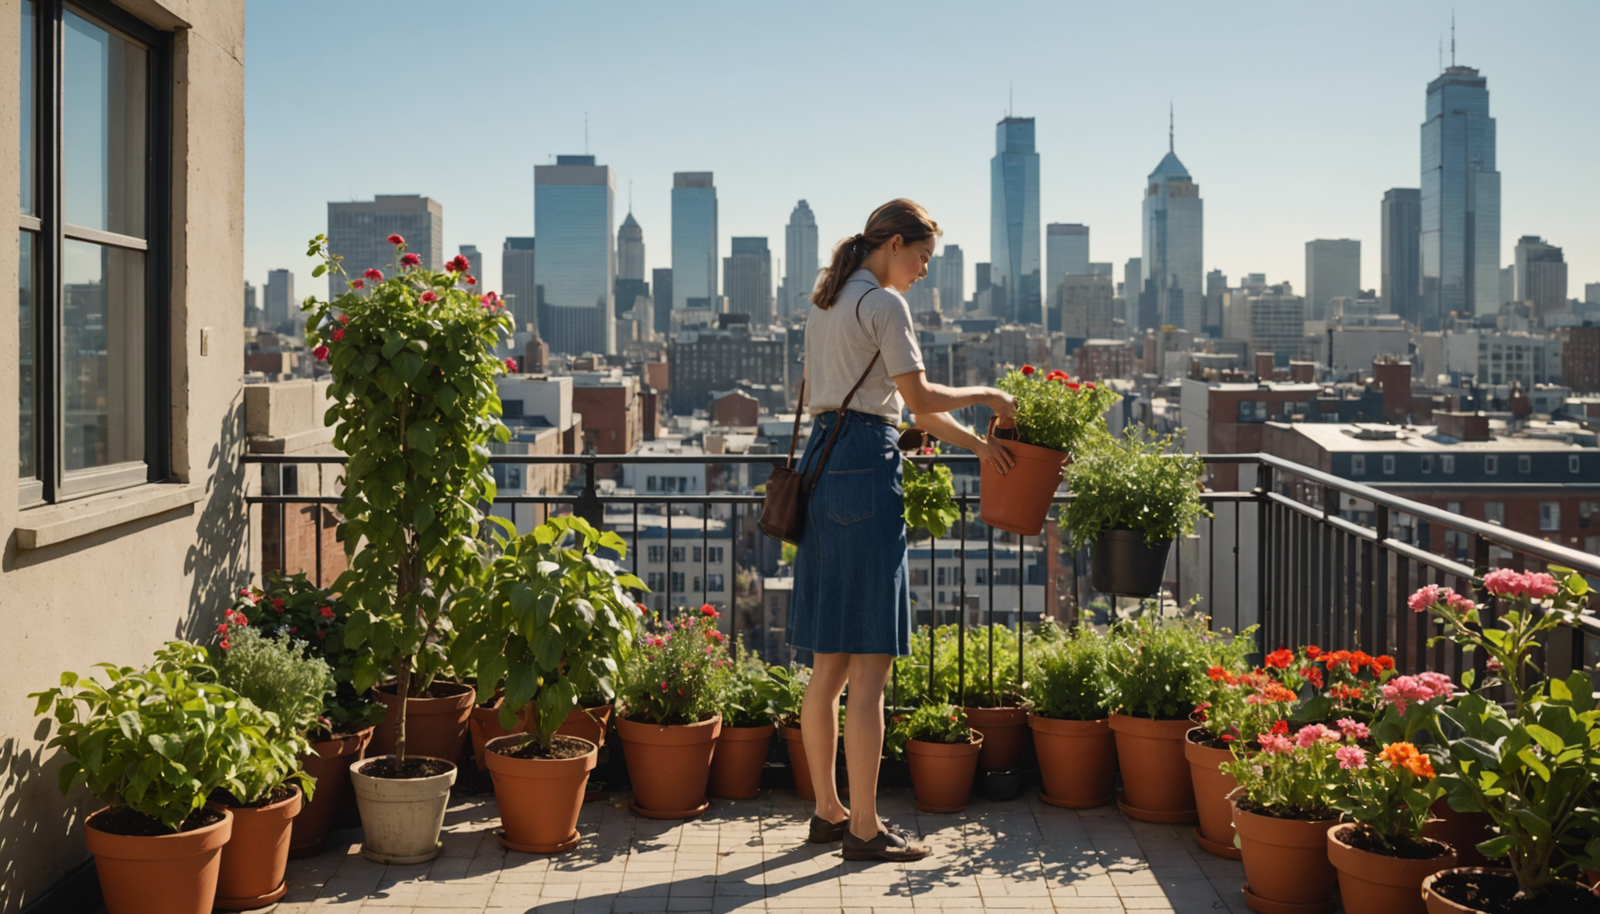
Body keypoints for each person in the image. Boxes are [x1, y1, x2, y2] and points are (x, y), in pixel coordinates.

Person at [787, 199, 1016, 861]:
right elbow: (915, 402)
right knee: (871, 670)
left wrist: (974, 445)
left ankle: (828, 812)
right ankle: (864, 828)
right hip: (864, 469)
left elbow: (881, 402)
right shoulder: (884, 305)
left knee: (827, 669)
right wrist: (991, 400)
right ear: (891, 242)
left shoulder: (827, 300)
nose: (921, 272)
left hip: (824, 467)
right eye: (919, 257)